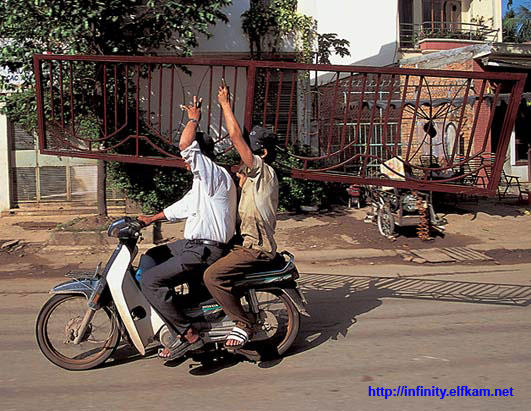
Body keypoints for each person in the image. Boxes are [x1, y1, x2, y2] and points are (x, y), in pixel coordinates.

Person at [137, 96, 237, 361]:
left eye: (190, 157)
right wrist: (151, 218)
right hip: (193, 246)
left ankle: (188, 334)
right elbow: (182, 207)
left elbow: (185, 145)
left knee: (150, 280)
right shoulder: (203, 183)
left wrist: (194, 119)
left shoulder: (213, 173)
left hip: (204, 250)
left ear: (200, 155)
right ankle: (176, 313)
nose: (185, 161)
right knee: (151, 257)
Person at [204, 82, 279, 349]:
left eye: (251, 148)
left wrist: (225, 104)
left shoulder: (263, 171)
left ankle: (243, 322)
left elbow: (235, 137)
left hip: (256, 248)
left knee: (212, 277)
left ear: (263, 153)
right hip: (243, 242)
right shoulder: (250, 177)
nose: (244, 154)